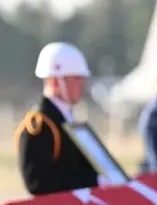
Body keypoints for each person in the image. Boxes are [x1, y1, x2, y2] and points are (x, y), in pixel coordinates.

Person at [15, 41, 101, 195]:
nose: (82, 84)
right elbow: (37, 183)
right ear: (55, 80)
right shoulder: (39, 126)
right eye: (75, 78)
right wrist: (93, 182)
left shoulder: (69, 120)